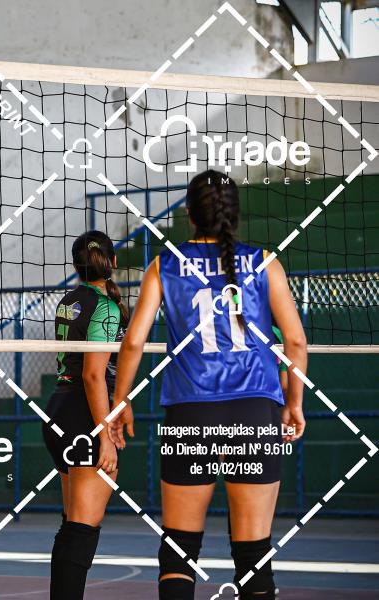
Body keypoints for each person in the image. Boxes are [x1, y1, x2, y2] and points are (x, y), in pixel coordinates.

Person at [108, 170, 307, 600]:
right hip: (254, 411)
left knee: (179, 552)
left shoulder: (165, 264)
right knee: (254, 555)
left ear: (189, 213)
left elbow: (134, 341)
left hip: (190, 412)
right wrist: (294, 403)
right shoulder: (265, 262)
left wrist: (120, 400)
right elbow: (294, 341)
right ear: (235, 213)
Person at [42, 231, 127, 599]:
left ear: (77, 266)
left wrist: (121, 402)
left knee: (73, 523)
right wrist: (104, 434)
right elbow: (93, 374)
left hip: (60, 408)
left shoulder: (68, 301)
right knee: (81, 529)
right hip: (83, 412)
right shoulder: (106, 307)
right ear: (113, 262)